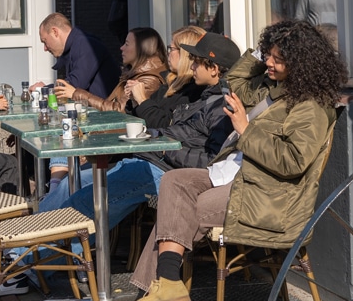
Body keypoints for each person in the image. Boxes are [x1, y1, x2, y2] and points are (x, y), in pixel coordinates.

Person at [94, 20, 347, 301]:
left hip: (268, 196)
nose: (268, 63)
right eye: (267, 55)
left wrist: (245, 128)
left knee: (182, 210)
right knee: (175, 182)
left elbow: (292, 162)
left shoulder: (310, 107)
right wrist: (259, 50)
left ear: (299, 62)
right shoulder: (275, 90)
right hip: (234, 177)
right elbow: (235, 81)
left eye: (276, 57)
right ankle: (166, 283)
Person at [41, 31, 240, 232]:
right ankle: (33, 246)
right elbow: (176, 130)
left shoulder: (221, 106)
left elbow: (213, 162)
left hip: (164, 170)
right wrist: (156, 139)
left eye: (196, 61)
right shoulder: (203, 97)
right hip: (149, 159)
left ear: (214, 69)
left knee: (84, 204)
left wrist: (164, 148)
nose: (192, 64)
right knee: (75, 194)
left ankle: (28, 251)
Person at [54, 27, 167, 112]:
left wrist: (76, 94)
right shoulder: (134, 74)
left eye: (127, 44)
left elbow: (119, 111)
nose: (121, 48)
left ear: (141, 49)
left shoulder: (149, 79)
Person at [37, 12, 119, 99]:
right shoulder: (76, 45)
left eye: (45, 41)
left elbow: (76, 85)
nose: (45, 48)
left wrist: (44, 89)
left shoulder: (85, 44)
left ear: (55, 32)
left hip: (104, 111)